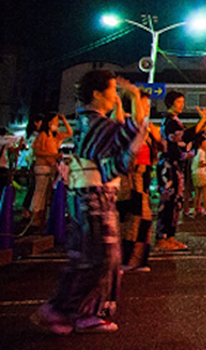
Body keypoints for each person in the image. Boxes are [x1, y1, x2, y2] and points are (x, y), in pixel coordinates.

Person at [32, 70, 150, 335]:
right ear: (97, 94)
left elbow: (123, 137)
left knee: (102, 256)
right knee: (96, 256)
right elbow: (130, 131)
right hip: (92, 196)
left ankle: (89, 313)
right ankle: (61, 309)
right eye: (110, 90)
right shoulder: (96, 123)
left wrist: (124, 105)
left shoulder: (88, 121)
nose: (113, 96)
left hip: (91, 194)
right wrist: (132, 97)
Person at [157, 91, 206, 251]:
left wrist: (204, 124)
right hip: (168, 166)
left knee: (176, 203)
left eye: (182, 101)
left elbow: (189, 138)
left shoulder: (176, 121)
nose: (182, 105)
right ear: (171, 103)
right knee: (168, 202)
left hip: (175, 166)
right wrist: (201, 123)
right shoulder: (169, 121)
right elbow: (183, 137)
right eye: (179, 102)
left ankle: (171, 237)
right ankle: (162, 238)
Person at [119, 124, 160, 273]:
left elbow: (159, 152)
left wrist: (154, 137)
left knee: (144, 220)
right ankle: (126, 260)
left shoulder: (147, 131)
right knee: (133, 220)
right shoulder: (127, 132)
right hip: (132, 180)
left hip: (143, 179)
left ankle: (138, 260)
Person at [27, 114, 72, 233]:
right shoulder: (43, 135)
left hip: (51, 167)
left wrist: (64, 120)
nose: (57, 125)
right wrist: (52, 155)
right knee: (39, 192)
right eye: (55, 122)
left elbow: (69, 133)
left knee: (46, 194)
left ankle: (40, 219)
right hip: (42, 166)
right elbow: (38, 151)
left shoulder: (54, 137)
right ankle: (34, 217)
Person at [191, 136, 206, 216]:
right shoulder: (202, 152)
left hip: (195, 173)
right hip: (201, 173)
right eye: (205, 142)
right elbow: (201, 163)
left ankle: (196, 209)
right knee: (205, 191)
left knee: (197, 192)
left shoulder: (196, 151)